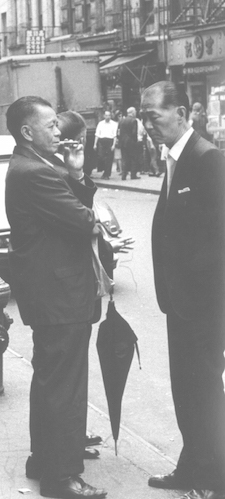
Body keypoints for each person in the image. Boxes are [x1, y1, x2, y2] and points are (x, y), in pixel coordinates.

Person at [4, 97, 107, 499]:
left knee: (50, 379)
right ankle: (62, 477)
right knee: (65, 384)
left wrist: (77, 173)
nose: (59, 131)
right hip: (61, 294)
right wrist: (89, 209)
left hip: (51, 292)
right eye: (50, 125)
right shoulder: (35, 173)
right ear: (28, 132)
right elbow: (84, 221)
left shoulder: (34, 166)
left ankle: (43, 459)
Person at [141, 81, 225, 499]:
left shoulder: (207, 158)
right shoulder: (174, 157)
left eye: (153, 117)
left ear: (181, 112)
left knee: (204, 389)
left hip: (204, 304)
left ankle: (213, 478)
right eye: (144, 117)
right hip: (181, 301)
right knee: (185, 388)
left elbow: (217, 238)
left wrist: (200, 293)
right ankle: (192, 465)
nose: (148, 125)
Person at [117, 107, 140, 180]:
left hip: (123, 143)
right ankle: (133, 175)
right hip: (131, 142)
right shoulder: (134, 121)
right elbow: (134, 133)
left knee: (124, 159)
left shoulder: (121, 121)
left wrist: (120, 140)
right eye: (135, 112)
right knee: (133, 158)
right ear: (133, 113)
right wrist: (135, 141)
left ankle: (123, 175)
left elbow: (117, 133)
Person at [94, 110, 118, 179]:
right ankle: (104, 171)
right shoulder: (100, 124)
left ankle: (107, 174)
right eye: (106, 115)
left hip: (110, 141)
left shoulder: (114, 124)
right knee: (101, 157)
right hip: (102, 141)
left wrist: (113, 145)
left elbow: (114, 135)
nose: (108, 117)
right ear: (104, 116)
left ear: (111, 116)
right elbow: (97, 134)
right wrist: (95, 144)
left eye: (109, 115)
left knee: (109, 159)